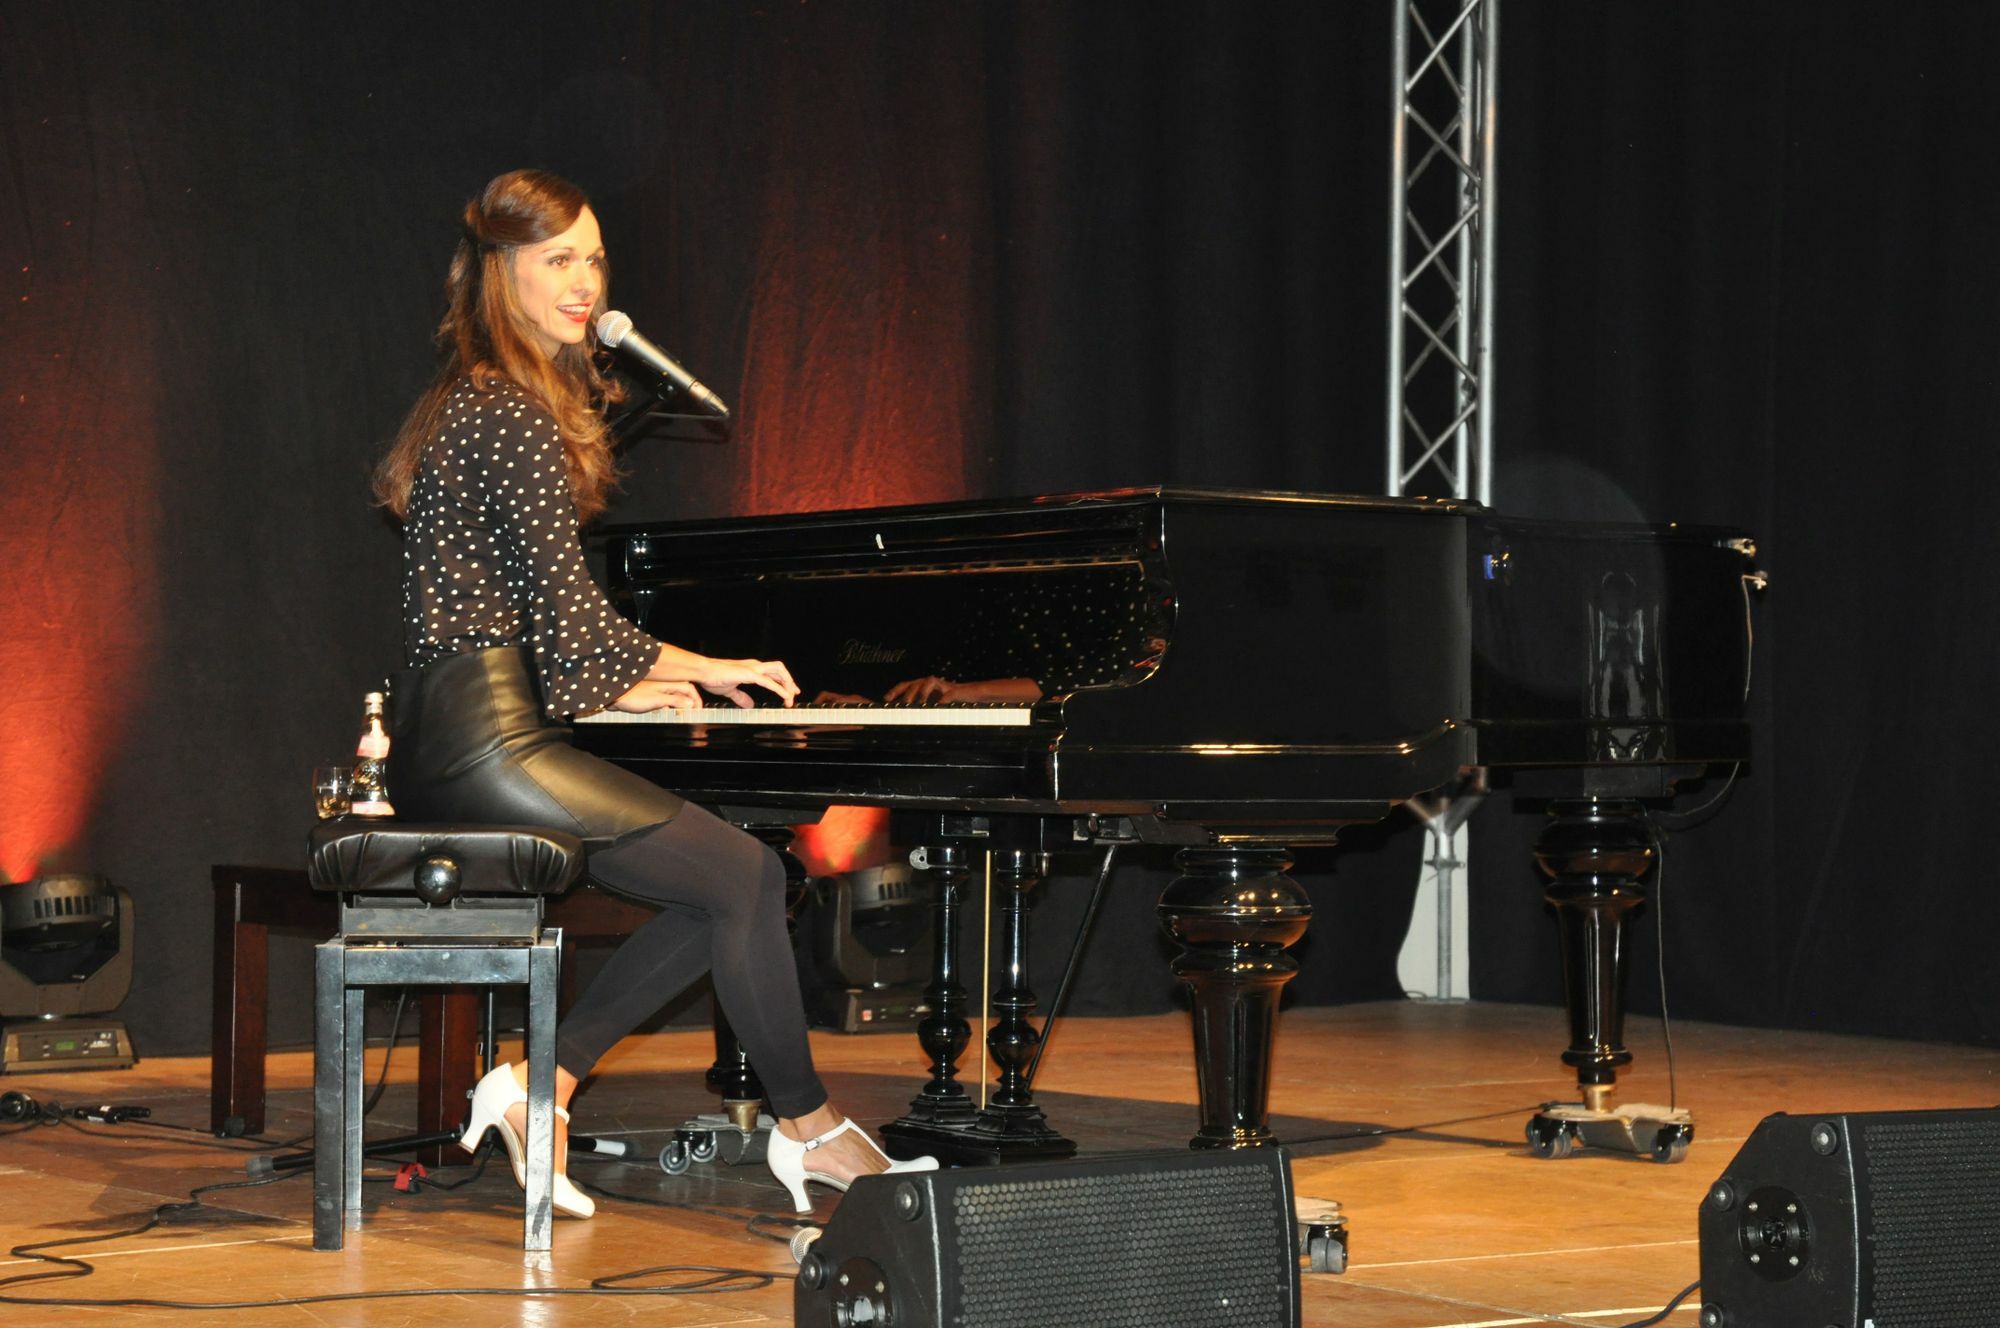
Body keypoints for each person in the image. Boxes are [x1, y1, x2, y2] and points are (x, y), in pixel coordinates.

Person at [370, 168, 934, 1218]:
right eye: (557, 260)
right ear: (500, 273)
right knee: (746, 875)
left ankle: (545, 1084)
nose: (584, 283)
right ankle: (809, 1132)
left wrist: (646, 682)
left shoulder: (477, 401)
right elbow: (571, 624)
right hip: (482, 742)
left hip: (467, 728)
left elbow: (539, 631)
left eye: (593, 258)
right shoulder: (510, 414)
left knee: (734, 881)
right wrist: (701, 667)